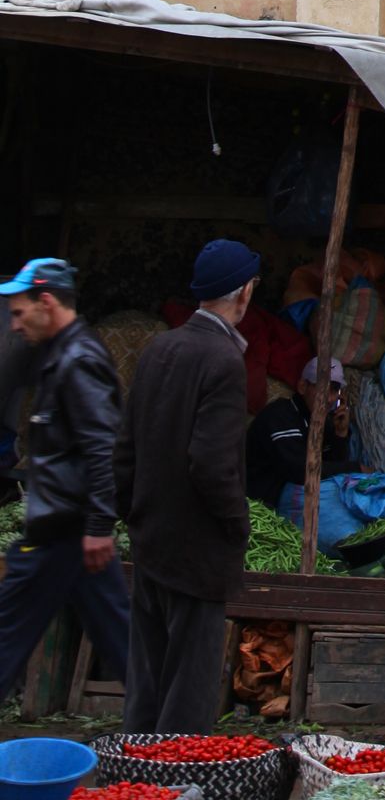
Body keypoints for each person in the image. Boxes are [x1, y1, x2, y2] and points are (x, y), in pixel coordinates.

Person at [115, 237, 259, 732]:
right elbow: (212, 465)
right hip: (197, 554)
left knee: (148, 686)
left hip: (152, 544)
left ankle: (135, 786)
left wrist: (135, 514)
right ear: (243, 294)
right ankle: (176, 795)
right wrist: (236, 526)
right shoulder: (222, 361)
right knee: (188, 700)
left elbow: (124, 450)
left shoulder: (159, 348)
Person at [0, 257, 130, 702]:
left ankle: (176, 734)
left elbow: (101, 447)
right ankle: (173, 732)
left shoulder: (79, 360)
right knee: (121, 639)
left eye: (19, 313)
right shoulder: (56, 354)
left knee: (7, 635)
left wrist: (98, 527)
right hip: (66, 532)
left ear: (47, 302)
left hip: (66, 532)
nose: (15, 325)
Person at [245, 357, 353, 509]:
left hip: (288, 508)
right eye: (322, 388)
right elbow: (300, 471)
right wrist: (356, 468)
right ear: (303, 386)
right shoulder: (280, 415)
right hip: (258, 506)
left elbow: (334, 468)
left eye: (334, 390)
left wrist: (340, 435)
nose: (328, 398)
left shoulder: (324, 422)